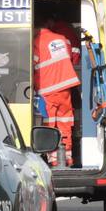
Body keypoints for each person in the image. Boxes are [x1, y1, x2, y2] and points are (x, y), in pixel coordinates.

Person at [34, 17, 81, 166]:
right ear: (48, 24)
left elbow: (31, 64)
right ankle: (67, 156)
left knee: (50, 123)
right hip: (66, 85)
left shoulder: (36, 42)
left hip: (48, 87)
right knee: (65, 120)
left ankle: (53, 158)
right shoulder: (63, 39)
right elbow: (72, 57)